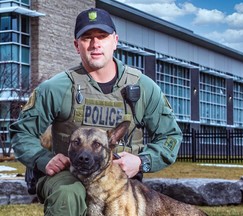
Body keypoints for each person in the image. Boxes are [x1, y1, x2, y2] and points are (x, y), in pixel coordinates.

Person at [9, 8, 183, 216]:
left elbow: (170, 136)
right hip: (67, 176)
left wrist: (142, 161)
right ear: (76, 45)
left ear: (115, 41)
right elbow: (22, 133)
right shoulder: (56, 88)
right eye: (87, 37)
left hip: (119, 179)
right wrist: (42, 159)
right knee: (68, 194)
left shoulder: (143, 87)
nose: (95, 44)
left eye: (102, 36)